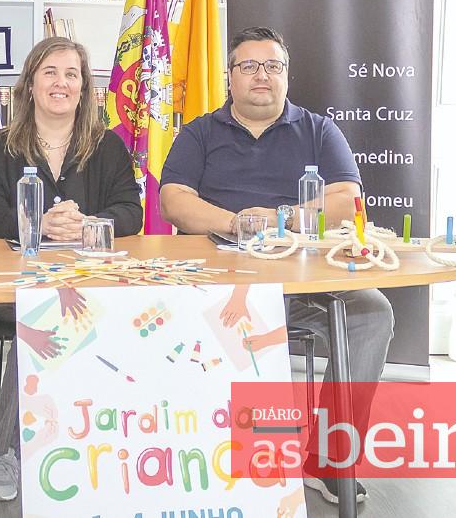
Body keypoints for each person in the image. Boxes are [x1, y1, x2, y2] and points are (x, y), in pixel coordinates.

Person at [158, 26, 395, 506]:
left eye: (272, 66)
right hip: (216, 287)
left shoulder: (319, 130)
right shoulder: (199, 132)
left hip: (302, 285)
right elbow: (174, 201)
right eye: (248, 66)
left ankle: (328, 460)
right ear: (229, 77)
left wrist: (279, 220)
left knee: (372, 313)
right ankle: (198, 457)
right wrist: (236, 223)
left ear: (287, 74)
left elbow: (347, 200)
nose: (261, 75)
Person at [0, 36, 143, 501]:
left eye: (71, 74)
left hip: (95, 284)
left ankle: (122, 443)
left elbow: (132, 212)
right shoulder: (0, 147)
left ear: (84, 88)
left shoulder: (107, 147)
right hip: (19, 284)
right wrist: (38, 224)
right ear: (29, 84)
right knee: (41, 312)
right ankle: (5, 453)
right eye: (50, 72)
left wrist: (89, 225)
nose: (61, 83)